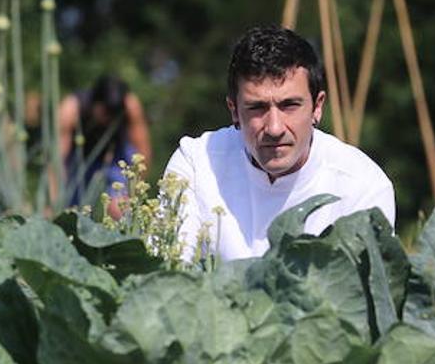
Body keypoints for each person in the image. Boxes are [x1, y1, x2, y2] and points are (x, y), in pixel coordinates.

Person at [163, 25, 395, 261]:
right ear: (233, 110)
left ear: (317, 106)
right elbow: (168, 275)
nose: (274, 128)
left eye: (289, 105)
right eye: (257, 108)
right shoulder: (195, 165)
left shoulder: (362, 186)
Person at [59, 75, 151, 216]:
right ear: (96, 103)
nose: (109, 119)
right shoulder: (71, 108)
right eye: (106, 112)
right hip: (80, 156)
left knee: (119, 207)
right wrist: (54, 197)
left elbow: (142, 150)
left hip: (117, 155)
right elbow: (58, 158)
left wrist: (134, 192)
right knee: (72, 211)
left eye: (114, 114)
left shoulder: (130, 105)